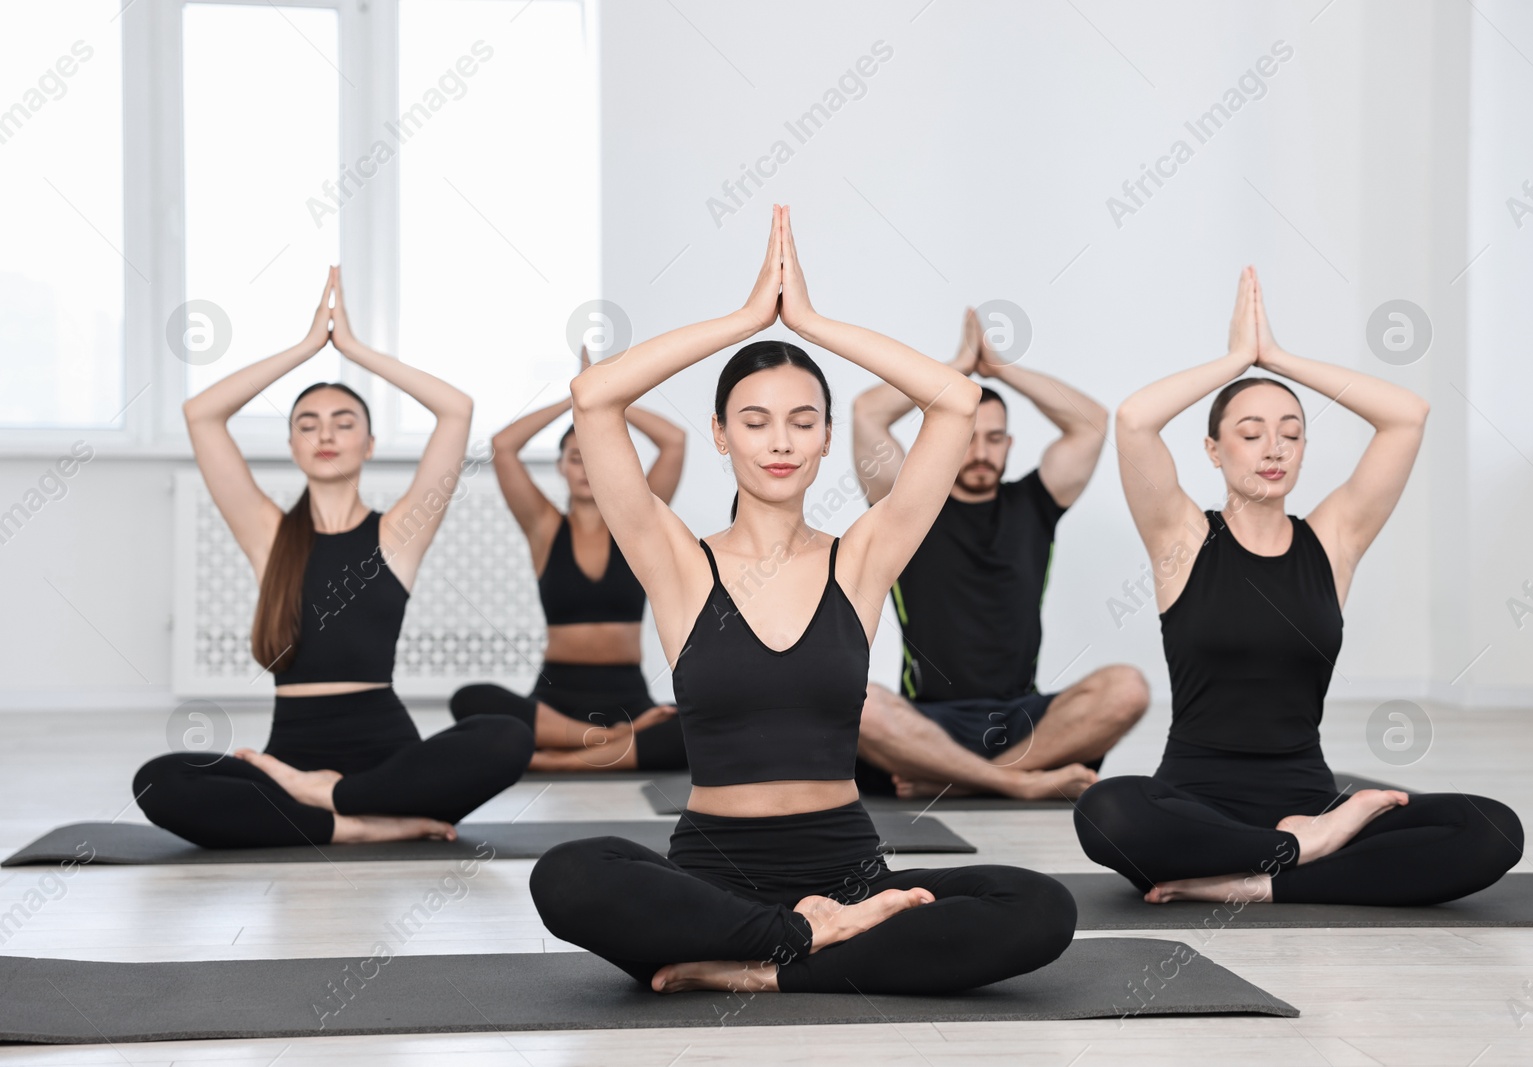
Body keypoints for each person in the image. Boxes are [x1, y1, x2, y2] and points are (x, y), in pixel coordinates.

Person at [529, 205, 1076, 995]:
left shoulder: (863, 558)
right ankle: (804, 941)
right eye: (755, 421)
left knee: (1040, 904)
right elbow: (595, 396)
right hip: (712, 871)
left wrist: (811, 323)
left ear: (825, 437)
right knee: (569, 873)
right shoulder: (678, 563)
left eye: (801, 421)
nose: (780, 442)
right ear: (719, 435)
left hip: (846, 867)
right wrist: (747, 319)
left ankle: (759, 965)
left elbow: (955, 401)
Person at [1073, 266, 1523, 905]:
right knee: (1106, 810)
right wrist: (1238, 360)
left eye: (1291, 432)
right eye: (1250, 433)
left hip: (1310, 798)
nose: (1273, 447)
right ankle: (1298, 856)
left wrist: (1280, 358)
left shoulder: (1334, 540)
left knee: (1491, 830)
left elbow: (1406, 416)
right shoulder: (1180, 537)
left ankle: (1255, 882)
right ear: (1213, 450)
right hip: (1194, 803)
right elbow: (1135, 419)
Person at [133, 267, 534, 848]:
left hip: (386, 760)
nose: (326, 434)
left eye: (344, 423)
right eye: (308, 424)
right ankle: (351, 826)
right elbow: (202, 413)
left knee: (505, 735)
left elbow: (456, 409)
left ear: (368, 445)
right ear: (293, 444)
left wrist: (352, 350)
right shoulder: (269, 534)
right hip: (289, 760)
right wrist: (304, 349)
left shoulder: (398, 533)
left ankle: (334, 804)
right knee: (159, 782)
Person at [852, 309, 1147, 801]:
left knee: (1128, 688)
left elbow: (1092, 421)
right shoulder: (908, 507)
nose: (982, 452)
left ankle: (967, 779)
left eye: (994, 439)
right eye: (968, 439)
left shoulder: (1035, 502)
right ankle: (1012, 783)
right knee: (853, 701)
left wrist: (1001, 369)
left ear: (1009, 444)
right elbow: (867, 412)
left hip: (1022, 722)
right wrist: (956, 371)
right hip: (928, 722)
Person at [448, 345, 688, 772]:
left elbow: (674, 441)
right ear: (560, 467)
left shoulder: (637, 524)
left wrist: (605, 399)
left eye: (595, 458)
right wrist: (578, 397)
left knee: (697, 724)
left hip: (629, 699)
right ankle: (606, 744)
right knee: (469, 700)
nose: (586, 468)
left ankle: (556, 761)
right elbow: (504, 446)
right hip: (555, 702)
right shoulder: (544, 528)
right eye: (576, 458)